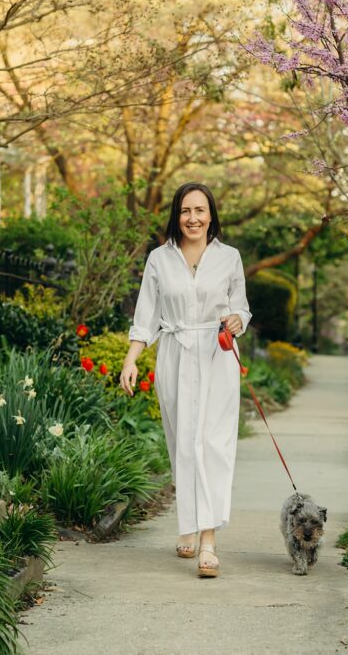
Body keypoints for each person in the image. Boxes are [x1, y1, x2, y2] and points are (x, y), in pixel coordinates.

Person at [119, 182, 251, 579]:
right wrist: (131, 360)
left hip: (217, 355)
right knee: (183, 442)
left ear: (211, 215)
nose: (193, 218)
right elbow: (146, 315)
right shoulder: (159, 259)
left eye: (200, 210)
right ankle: (188, 525)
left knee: (213, 444)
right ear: (176, 216)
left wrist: (236, 320)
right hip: (175, 353)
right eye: (185, 211)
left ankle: (208, 540)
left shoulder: (230, 257)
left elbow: (242, 308)